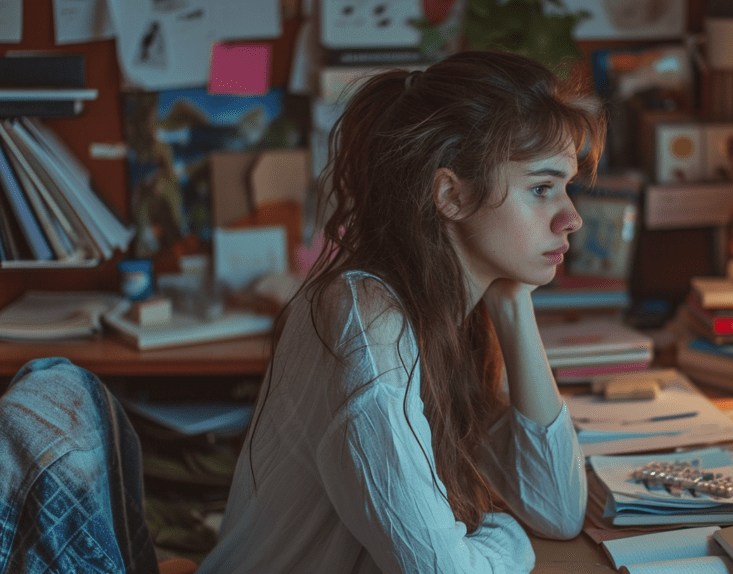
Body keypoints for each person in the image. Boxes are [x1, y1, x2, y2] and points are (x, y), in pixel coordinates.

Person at [196, 50, 607, 573]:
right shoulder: (368, 326)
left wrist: (513, 301)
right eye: (541, 189)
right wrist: (504, 532)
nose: (570, 217)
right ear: (452, 196)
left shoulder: (442, 306)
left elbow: (557, 510)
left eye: (566, 188)